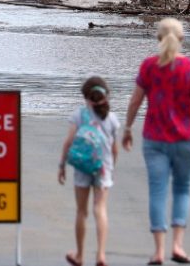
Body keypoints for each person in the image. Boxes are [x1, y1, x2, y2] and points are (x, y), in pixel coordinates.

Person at [122, 18, 190, 266]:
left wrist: (128, 128)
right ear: (182, 39)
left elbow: (135, 101)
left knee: (157, 191)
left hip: (154, 139)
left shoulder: (149, 67)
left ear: (158, 39)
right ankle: (178, 246)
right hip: (185, 139)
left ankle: (158, 251)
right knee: (183, 189)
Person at [59, 77, 120, 266]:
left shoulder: (79, 115)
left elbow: (68, 142)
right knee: (100, 209)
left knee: (81, 211)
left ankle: (79, 255)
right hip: (102, 169)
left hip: (82, 168)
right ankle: (101, 255)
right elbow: (114, 149)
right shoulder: (111, 119)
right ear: (105, 97)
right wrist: (111, 168)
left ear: (86, 98)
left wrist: (62, 165)